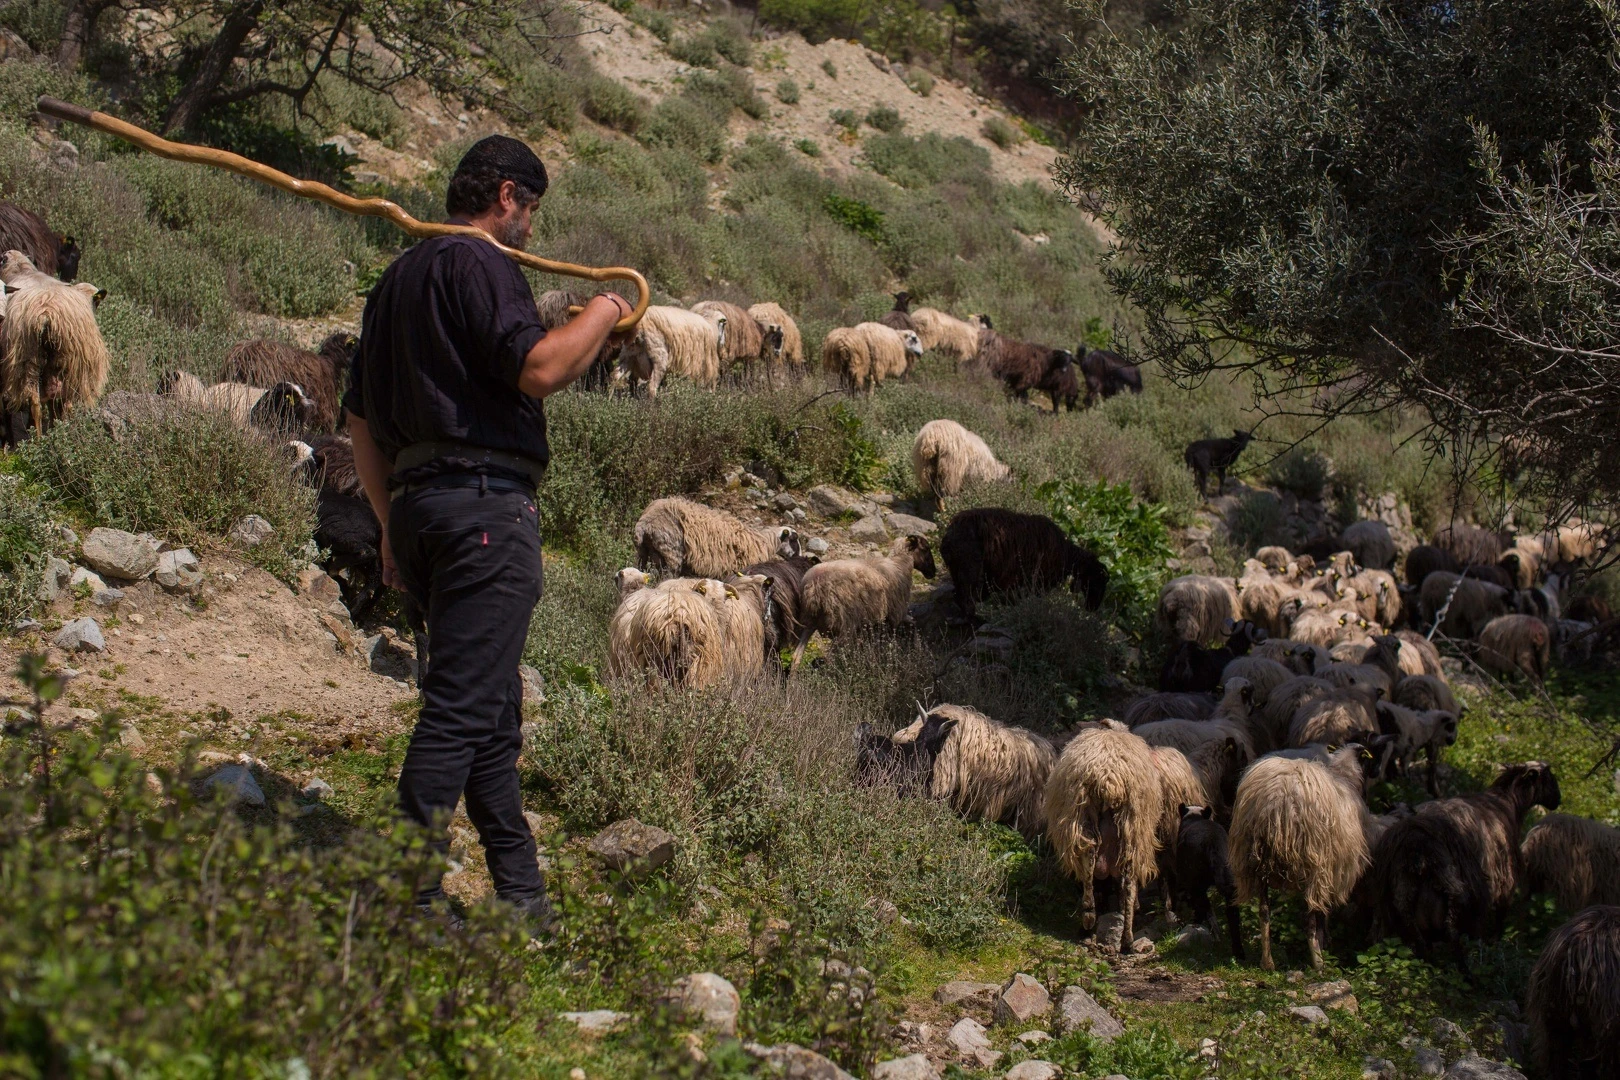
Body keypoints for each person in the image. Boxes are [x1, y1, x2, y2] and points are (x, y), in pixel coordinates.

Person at [343, 135, 630, 923]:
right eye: (531, 210)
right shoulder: (482, 265)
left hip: (424, 511)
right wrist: (606, 309)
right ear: (506, 196)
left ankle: (521, 897)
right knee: (463, 710)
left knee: (490, 708)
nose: (531, 229)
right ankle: (403, 898)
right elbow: (538, 368)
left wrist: (389, 523)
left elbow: (360, 420)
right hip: (485, 512)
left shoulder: (396, 279)